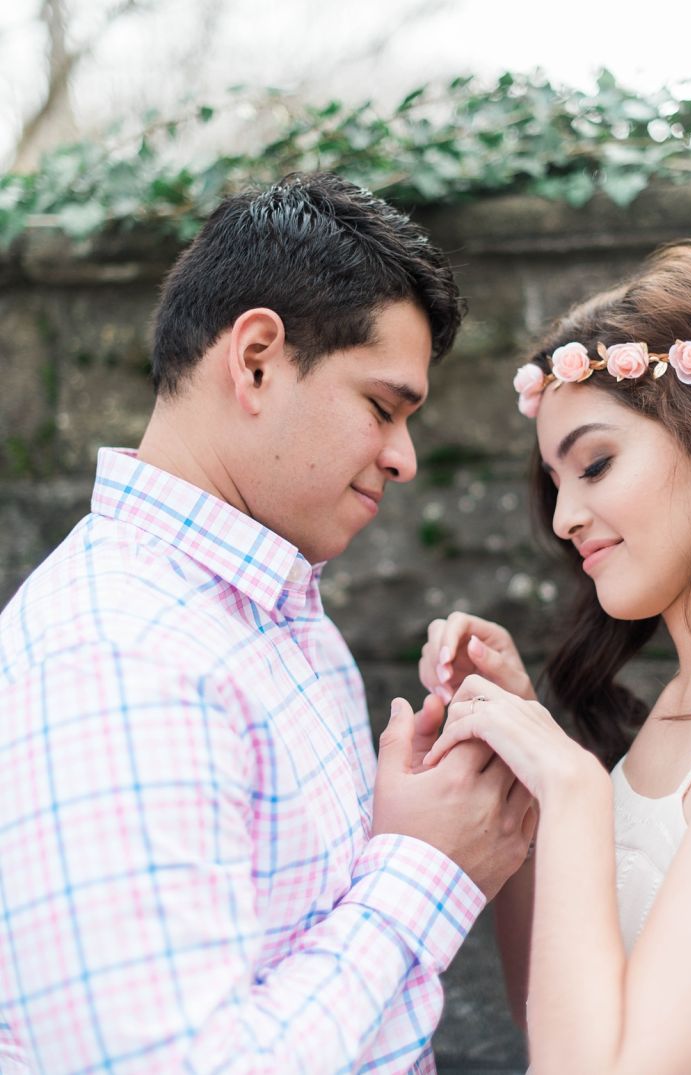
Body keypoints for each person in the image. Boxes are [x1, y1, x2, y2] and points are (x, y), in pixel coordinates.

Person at [0, 173, 534, 1074]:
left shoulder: (278, 609)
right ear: (256, 359)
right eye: (382, 406)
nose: (403, 458)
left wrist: (410, 813)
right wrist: (420, 867)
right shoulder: (118, 654)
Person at [419, 241, 691, 1075]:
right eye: (554, 482)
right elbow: (553, 1014)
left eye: (596, 463)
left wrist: (574, 787)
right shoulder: (689, 702)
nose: (567, 516)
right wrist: (523, 769)